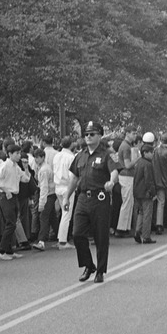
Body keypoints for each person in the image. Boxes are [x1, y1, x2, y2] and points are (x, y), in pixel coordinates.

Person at [64, 120, 119, 283]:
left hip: (100, 198)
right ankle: (88, 264)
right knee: (77, 234)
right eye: (86, 134)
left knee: (101, 236)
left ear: (99, 136)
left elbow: (114, 171)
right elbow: (74, 178)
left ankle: (100, 270)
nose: (88, 137)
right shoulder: (80, 155)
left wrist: (111, 182)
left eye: (92, 134)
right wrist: (67, 196)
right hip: (82, 198)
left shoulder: (107, 154)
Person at [0, 143, 31, 261]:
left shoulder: (16, 167)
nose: (19, 156)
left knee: (12, 223)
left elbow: (26, 179)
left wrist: (26, 168)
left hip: (14, 196)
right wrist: (5, 190)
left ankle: (9, 250)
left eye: (19, 153)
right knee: (10, 223)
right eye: (17, 153)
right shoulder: (5, 166)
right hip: (7, 196)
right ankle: (2, 250)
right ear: (10, 154)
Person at [53, 135, 77, 249]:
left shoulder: (56, 156)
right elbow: (72, 175)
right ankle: (62, 241)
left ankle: (60, 238)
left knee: (64, 213)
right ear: (71, 144)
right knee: (66, 214)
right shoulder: (71, 157)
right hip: (67, 187)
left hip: (58, 187)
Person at [114, 126, 138, 237]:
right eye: (133, 133)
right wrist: (137, 159)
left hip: (125, 175)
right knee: (127, 202)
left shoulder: (125, 146)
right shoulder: (126, 147)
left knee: (128, 202)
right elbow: (128, 165)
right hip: (127, 176)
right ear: (127, 134)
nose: (135, 136)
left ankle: (125, 228)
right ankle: (122, 228)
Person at [132, 141, 157, 244]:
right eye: (151, 152)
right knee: (147, 214)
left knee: (140, 213)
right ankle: (146, 236)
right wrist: (153, 192)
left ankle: (137, 231)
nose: (152, 154)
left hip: (138, 191)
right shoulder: (147, 164)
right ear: (145, 153)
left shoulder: (139, 163)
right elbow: (149, 180)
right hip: (146, 193)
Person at [32, 147, 55, 251]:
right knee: (52, 217)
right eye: (35, 158)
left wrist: (42, 203)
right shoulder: (43, 168)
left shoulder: (44, 170)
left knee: (43, 217)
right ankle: (62, 237)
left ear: (43, 157)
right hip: (50, 194)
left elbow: (44, 187)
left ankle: (41, 241)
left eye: (37, 157)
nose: (36, 160)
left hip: (47, 195)